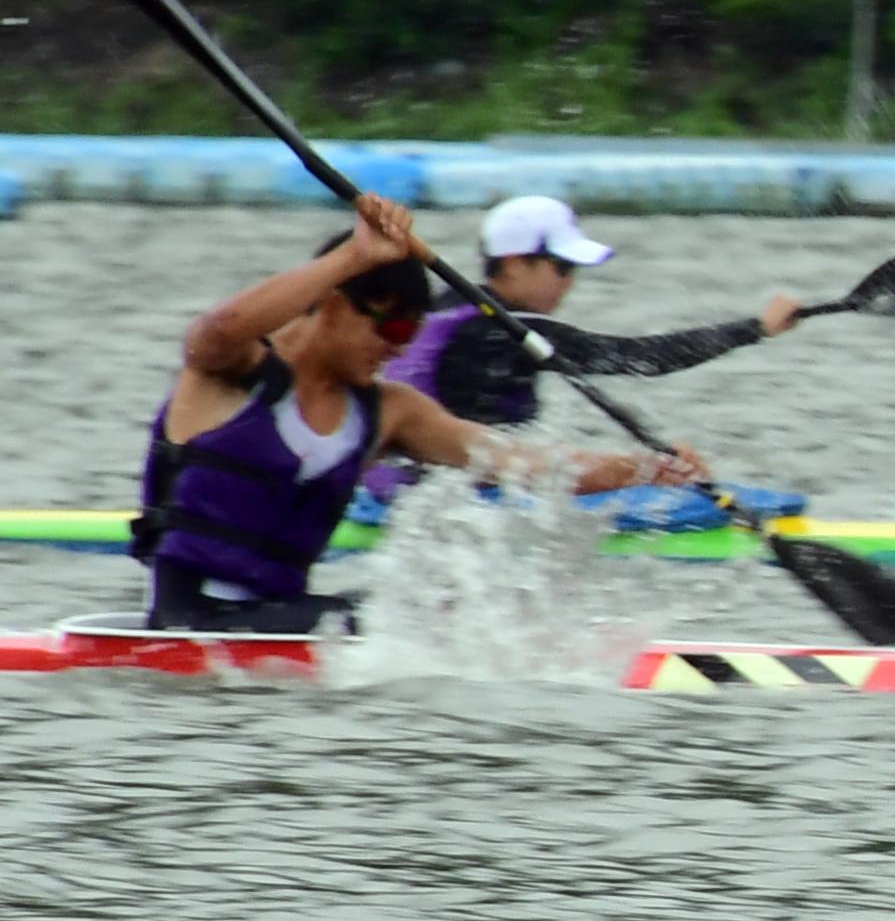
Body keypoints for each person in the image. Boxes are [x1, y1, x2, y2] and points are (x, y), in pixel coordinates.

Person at [138, 198, 702, 634]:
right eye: (393, 328)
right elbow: (214, 330)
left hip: (281, 619)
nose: (400, 351)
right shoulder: (233, 372)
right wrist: (354, 255)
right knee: (411, 625)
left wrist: (643, 469)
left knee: (456, 609)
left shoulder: (388, 412)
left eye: (411, 332)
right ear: (335, 304)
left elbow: (524, 463)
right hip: (187, 622)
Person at [384, 195, 802, 432]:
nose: (569, 282)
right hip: (462, 495)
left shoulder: (446, 307)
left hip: (407, 486)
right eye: (562, 267)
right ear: (513, 263)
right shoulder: (508, 330)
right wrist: (756, 328)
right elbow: (640, 358)